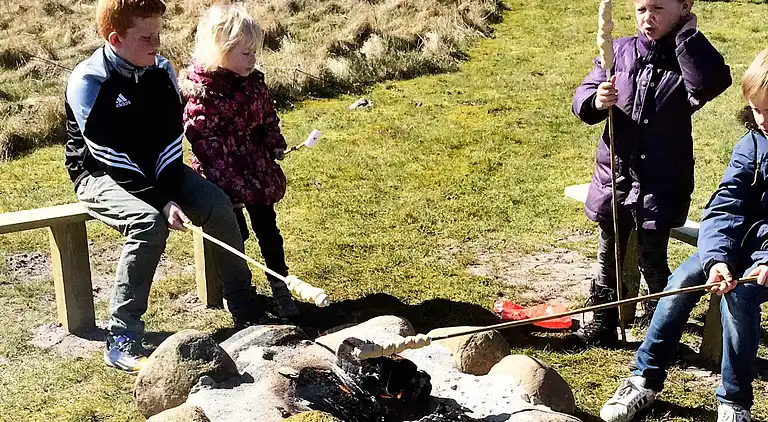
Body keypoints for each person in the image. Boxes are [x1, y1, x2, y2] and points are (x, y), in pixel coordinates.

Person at [64, 0, 264, 374]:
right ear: (115, 38)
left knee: (217, 205)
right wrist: (160, 202)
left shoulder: (160, 69)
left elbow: (171, 138)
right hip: (99, 175)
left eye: (158, 33)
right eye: (146, 37)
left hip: (159, 169)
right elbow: (109, 156)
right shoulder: (89, 81)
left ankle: (243, 304)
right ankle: (122, 334)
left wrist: (172, 188)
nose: (157, 43)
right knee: (147, 223)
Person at [599, 48, 768, 422]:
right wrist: (718, 259)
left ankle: (734, 403)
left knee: (739, 300)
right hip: (733, 248)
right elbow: (725, 206)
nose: (763, 120)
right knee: (680, 283)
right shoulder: (752, 144)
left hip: (765, 260)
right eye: (757, 110)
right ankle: (644, 379)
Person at [571, 0, 731, 347]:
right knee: (609, 253)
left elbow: (709, 84)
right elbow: (583, 94)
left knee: (653, 260)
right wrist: (596, 100)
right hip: (616, 176)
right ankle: (603, 322)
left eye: (658, 8)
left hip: (660, 182)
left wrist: (687, 38)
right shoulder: (620, 51)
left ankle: (663, 334)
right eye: (641, 9)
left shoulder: (687, 58)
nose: (648, 17)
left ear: (684, 7)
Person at [179, 4, 298, 318]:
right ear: (221, 49)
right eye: (246, 53)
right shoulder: (203, 93)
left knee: (268, 228)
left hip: (255, 167)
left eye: (255, 52)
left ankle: (280, 284)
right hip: (222, 175)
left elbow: (267, 117)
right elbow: (204, 141)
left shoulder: (253, 82)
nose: (253, 59)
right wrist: (231, 181)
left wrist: (273, 142)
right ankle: (240, 291)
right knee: (236, 233)